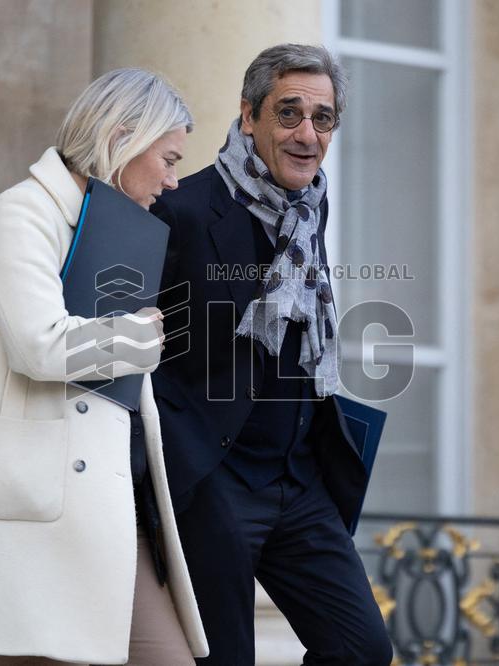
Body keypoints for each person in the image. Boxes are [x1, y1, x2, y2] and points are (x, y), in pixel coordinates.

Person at [0, 68, 208, 666]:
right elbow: (41, 346)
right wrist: (142, 337)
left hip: (107, 512)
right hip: (30, 519)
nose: (173, 180)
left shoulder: (113, 231)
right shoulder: (22, 213)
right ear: (124, 135)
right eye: (169, 158)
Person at [151, 44, 393, 665]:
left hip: (301, 479)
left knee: (361, 649)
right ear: (248, 115)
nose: (308, 135)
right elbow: (130, 352)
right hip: (216, 480)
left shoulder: (310, 208)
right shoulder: (180, 208)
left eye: (323, 119)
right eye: (289, 114)